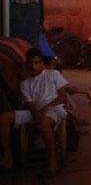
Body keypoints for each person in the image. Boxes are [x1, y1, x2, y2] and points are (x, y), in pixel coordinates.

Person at [0, 48, 69, 176]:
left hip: (53, 109)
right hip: (34, 112)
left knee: (44, 123)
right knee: (3, 118)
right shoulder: (25, 84)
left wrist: (43, 110)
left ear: (42, 63)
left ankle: (52, 162)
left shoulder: (52, 74)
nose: (33, 66)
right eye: (30, 63)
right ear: (26, 64)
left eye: (36, 62)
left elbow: (62, 97)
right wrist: (36, 112)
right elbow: (29, 103)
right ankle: (7, 158)